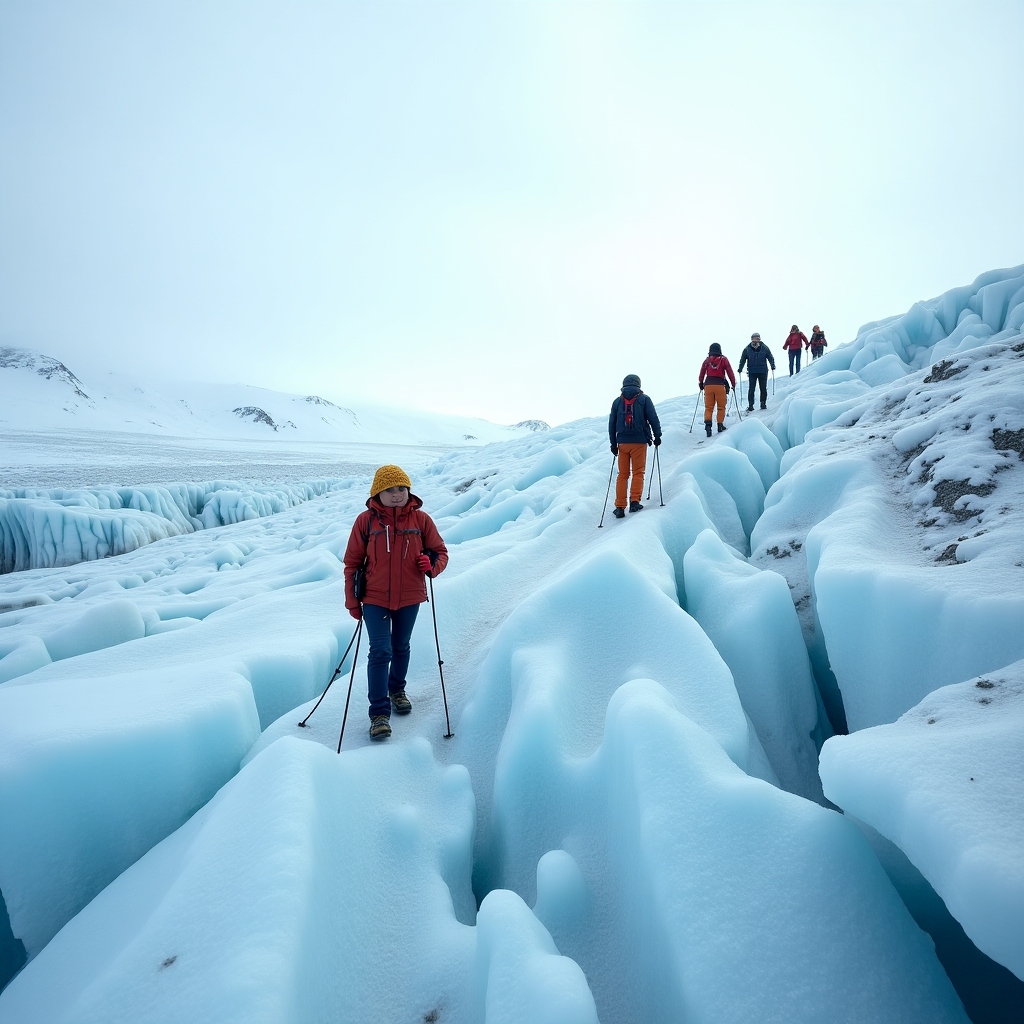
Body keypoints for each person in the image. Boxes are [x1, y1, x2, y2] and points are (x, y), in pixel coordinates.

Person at [343, 465, 448, 740]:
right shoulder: (366, 521)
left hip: (410, 595)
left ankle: (397, 690)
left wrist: (431, 566)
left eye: (402, 488)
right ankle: (378, 714)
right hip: (375, 598)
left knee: (401, 646)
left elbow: (439, 552)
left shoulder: (421, 520)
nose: (397, 493)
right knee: (380, 651)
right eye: (390, 489)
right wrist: (352, 601)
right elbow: (352, 563)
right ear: (378, 492)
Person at [608, 374, 662, 518]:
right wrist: (657, 436)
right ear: (638, 384)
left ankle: (620, 507)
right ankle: (634, 502)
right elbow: (653, 418)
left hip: (622, 443)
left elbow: (612, 424)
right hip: (639, 442)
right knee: (638, 472)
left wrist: (613, 444)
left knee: (623, 475)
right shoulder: (644, 399)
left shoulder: (617, 402)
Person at [698, 343, 737, 437]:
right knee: (721, 406)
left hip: (708, 386)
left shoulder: (707, 360)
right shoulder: (723, 359)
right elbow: (729, 371)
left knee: (709, 407)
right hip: (720, 385)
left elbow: (702, 372)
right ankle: (720, 425)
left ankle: (708, 426)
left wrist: (700, 383)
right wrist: (733, 383)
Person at [737, 332, 776, 411]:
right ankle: (751, 405)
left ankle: (763, 403)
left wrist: (772, 365)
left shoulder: (764, 347)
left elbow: (770, 357)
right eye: (756, 338)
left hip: (763, 371)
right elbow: (743, 359)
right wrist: (740, 368)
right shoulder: (747, 349)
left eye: (758, 338)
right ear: (752, 339)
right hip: (752, 371)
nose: (757, 339)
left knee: (763, 388)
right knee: (751, 389)